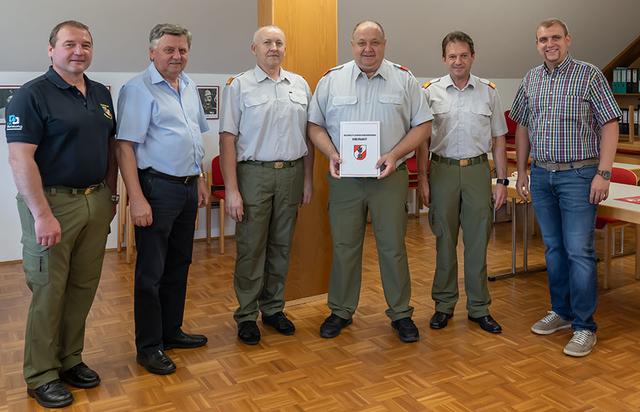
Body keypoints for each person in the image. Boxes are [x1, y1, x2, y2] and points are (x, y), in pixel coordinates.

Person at [6, 20, 117, 408]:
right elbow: (20, 159)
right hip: (52, 205)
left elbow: (111, 148)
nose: (79, 51)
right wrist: (41, 214)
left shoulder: (101, 93)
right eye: (70, 44)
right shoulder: (30, 96)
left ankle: (70, 359)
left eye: (86, 44)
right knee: (49, 292)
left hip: (95, 201)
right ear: (51, 50)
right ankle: (40, 374)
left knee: (83, 287)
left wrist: (111, 198)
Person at [308, 20, 432, 343]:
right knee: (344, 246)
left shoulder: (404, 80)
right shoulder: (331, 81)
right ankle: (340, 310)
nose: (368, 49)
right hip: (345, 180)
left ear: (385, 44)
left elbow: (423, 126)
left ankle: (401, 313)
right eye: (361, 42)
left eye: (374, 42)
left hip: (389, 178)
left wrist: (395, 154)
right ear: (352, 45)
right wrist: (331, 153)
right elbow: (314, 126)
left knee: (393, 248)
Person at [510, 18, 620, 357]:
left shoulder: (589, 76)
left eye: (555, 37)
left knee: (579, 252)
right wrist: (522, 171)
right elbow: (523, 128)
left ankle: (585, 326)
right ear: (537, 44)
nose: (549, 44)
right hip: (542, 176)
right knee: (554, 250)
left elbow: (611, 123)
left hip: (580, 176)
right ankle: (561, 311)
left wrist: (604, 173)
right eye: (543, 39)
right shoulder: (530, 79)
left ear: (568, 40)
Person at [116, 23, 210, 375]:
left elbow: (193, 138)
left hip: (187, 186)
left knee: (180, 263)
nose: (177, 56)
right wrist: (136, 198)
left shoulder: (188, 85)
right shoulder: (138, 89)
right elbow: (125, 147)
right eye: (169, 50)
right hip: (156, 188)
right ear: (152, 52)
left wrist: (200, 178)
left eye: (182, 50)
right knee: (151, 271)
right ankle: (149, 346)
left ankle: (172, 331)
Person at [219, 25, 314, 345]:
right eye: (267, 43)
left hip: (291, 173)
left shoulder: (299, 84)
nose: (273, 48)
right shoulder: (239, 86)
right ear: (254, 48)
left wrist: (307, 179)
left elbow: (309, 137)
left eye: (279, 43)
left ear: (285, 48)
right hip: (253, 175)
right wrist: (232, 189)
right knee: (251, 247)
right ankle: (246, 314)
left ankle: (273, 308)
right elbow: (228, 139)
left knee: (282, 246)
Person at [418, 31, 508, 334]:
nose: (458, 61)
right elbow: (422, 141)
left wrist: (501, 181)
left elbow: (498, 139)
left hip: (477, 172)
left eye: (464, 55)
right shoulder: (430, 91)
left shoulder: (488, 91)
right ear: (444, 59)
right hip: (441, 170)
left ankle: (479, 307)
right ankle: (443, 305)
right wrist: (424, 180)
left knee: (477, 242)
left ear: (472, 56)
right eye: (452, 56)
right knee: (444, 240)